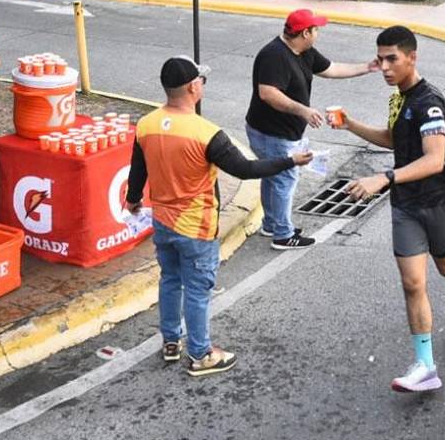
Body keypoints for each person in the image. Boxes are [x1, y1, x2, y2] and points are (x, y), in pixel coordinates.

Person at [127, 56, 313, 377]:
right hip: (196, 227)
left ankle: (171, 341)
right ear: (192, 87)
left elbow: (138, 170)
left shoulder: (146, 124)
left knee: (170, 280)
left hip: (162, 222)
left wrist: (132, 201)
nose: (202, 85)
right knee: (198, 291)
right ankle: (201, 354)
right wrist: (289, 161)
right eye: (201, 81)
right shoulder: (206, 133)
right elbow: (246, 169)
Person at [334, 26, 445, 393]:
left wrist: (382, 178)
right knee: (413, 283)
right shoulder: (398, 99)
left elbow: (433, 159)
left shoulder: (429, 101)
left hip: (436, 201)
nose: (383, 66)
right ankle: (425, 366)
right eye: (380, 59)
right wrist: (350, 124)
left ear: (412, 57)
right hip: (405, 203)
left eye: (391, 59)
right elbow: (393, 139)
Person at [244, 9, 378, 251]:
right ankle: (283, 235)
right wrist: (303, 111)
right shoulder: (274, 56)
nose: (318, 33)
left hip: (281, 132)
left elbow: (332, 69)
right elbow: (268, 93)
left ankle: (272, 224)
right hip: (271, 133)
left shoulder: (304, 52)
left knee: (272, 176)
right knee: (285, 178)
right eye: (316, 30)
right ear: (305, 33)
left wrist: (367, 67)